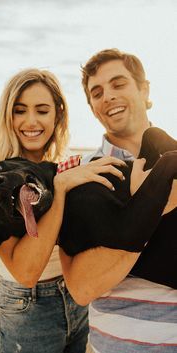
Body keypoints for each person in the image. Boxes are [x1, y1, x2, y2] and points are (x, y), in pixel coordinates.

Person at [0, 68, 128, 353]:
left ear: (58, 114)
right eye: (20, 111)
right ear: (8, 115)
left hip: (78, 302)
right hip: (28, 309)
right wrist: (60, 188)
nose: (31, 121)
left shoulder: (69, 166)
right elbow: (26, 271)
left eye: (42, 110)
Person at [59, 49, 177, 352]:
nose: (107, 96)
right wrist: (154, 201)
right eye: (96, 93)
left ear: (144, 89)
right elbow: (82, 288)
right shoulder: (79, 175)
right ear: (92, 107)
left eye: (118, 84)